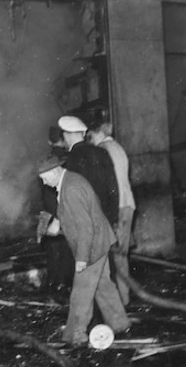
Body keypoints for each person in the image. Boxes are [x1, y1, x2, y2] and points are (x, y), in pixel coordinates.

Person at [37, 154, 131, 346]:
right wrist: (58, 223)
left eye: (44, 177)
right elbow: (80, 213)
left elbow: (86, 226)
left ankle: (76, 335)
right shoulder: (69, 181)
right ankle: (120, 323)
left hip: (92, 246)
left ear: (55, 171)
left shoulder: (70, 188)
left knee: (81, 292)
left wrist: (82, 258)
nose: (43, 181)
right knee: (102, 285)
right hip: (100, 239)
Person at [88, 121, 136, 306]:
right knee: (119, 255)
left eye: (90, 136)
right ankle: (122, 300)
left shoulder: (103, 150)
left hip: (118, 207)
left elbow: (109, 185)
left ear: (98, 133)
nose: (90, 141)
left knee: (116, 256)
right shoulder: (117, 147)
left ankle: (121, 302)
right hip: (126, 204)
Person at [57, 115, 119, 227]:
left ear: (66, 136)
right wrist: (113, 217)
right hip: (106, 216)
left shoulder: (70, 159)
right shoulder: (102, 152)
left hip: (85, 219)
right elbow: (113, 187)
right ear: (84, 134)